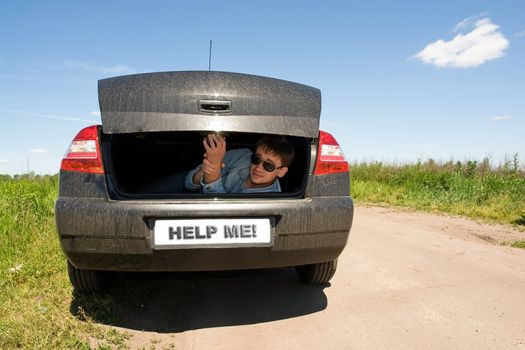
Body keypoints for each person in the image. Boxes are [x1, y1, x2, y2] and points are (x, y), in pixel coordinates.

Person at [184, 133, 294, 193]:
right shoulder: (242, 156)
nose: (258, 168)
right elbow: (188, 184)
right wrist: (207, 168)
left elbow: (222, 213)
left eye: (268, 165)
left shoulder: (270, 199)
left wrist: (213, 170)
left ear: (281, 172)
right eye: (256, 159)